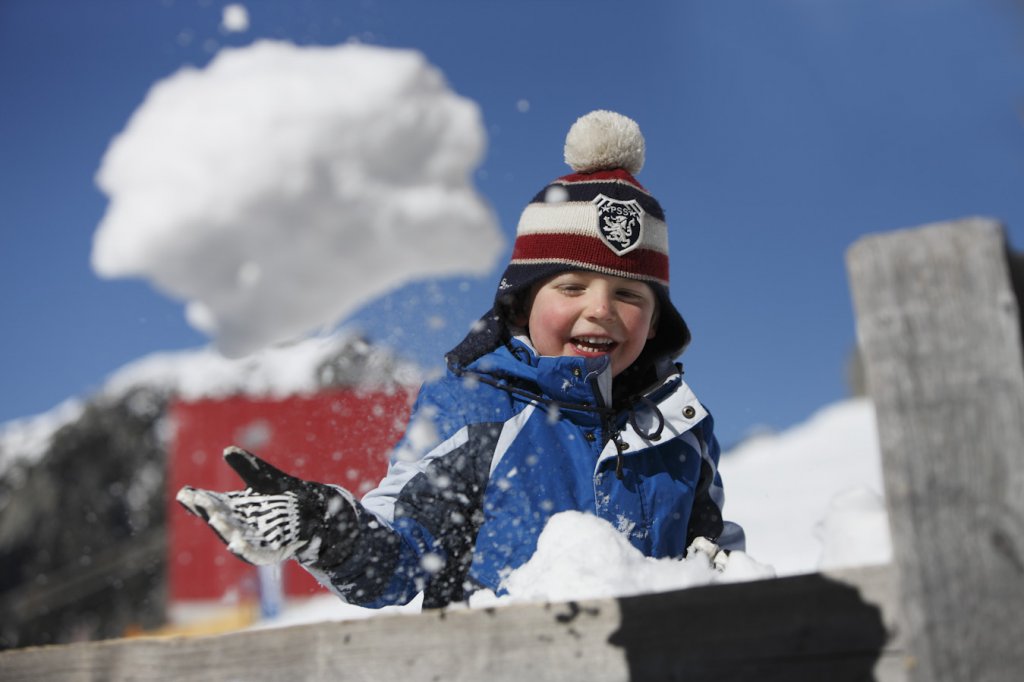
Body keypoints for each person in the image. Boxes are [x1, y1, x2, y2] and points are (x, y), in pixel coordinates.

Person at [177, 110, 745, 609]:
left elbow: (714, 554)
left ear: (656, 319)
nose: (602, 311)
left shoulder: (680, 429)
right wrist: (330, 530)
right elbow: (398, 557)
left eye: (629, 295)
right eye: (571, 287)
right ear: (521, 305)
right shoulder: (475, 410)